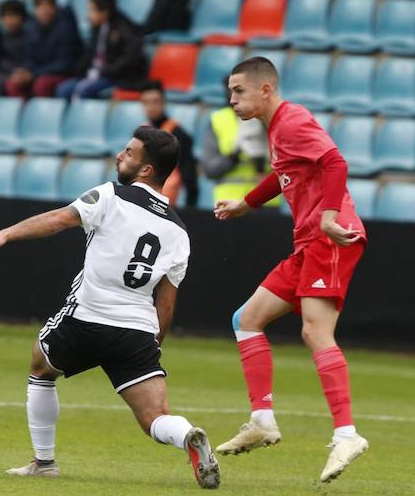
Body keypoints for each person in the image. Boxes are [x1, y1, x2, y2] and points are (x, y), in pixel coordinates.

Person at [0, 126, 220, 489]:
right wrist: (153, 345)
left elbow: (57, 221)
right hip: (137, 332)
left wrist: (2, 234)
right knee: (154, 417)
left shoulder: (111, 195)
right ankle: (186, 436)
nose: (120, 155)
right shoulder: (179, 232)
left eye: (130, 152)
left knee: (41, 367)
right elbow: (166, 303)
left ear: (147, 169)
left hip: (86, 318)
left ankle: (44, 462)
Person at [213, 57, 368, 484]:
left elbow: (336, 163)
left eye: (239, 91)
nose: (232, 100)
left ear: (265, 89)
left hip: (330, 237)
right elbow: (282, 176)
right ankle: (262, 419)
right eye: (230, 92)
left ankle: (347, 434)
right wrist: (246, 203)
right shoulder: (278, 129)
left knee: (315, 332)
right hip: (308, 243)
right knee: (246, 320)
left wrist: (329, 216)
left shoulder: (293, 120)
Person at [203, 76, 278, 208]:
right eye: (231, 90)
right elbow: (210, 170)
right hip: (228, 203)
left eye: (240, 90)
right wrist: (234, 156)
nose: (234, 96)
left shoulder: (269, 117)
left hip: (266, 201)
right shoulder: (217, 120)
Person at [56, 0, 146, 101]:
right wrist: (79, 70)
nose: (88, 15)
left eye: (92, 10)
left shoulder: (124, 28)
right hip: (96, 74)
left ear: (105, 12)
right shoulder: (97, 28)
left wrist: (107, 70)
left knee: (84, 90)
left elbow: (130, 56)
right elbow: (90, 54)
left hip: (117, 77)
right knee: (64, 89)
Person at [5, 0, 82, 99]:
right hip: (38, 73)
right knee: (12, 84)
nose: (45, 10)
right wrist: (24, 72)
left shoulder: (66, 28)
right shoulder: (30, 28)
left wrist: (34, 74)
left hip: (62, 74)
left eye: (48, 6)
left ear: (55, 8)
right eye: (40, 6)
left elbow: (65, 63)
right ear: (35, 10)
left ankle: (45, 114)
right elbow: (27, 57)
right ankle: (25, 113)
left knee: (42, 84)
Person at [139, 81, 199, 207]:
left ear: (163, 102)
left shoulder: (178, 134)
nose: (150, 106)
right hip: (143, 201)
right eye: (146, 102)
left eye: (155, 101)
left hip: (167, 202)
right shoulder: (141, 133)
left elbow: (189, 175)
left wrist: (190, 208)